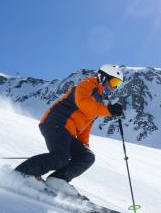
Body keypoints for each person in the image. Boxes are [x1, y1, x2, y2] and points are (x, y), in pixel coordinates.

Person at [15, 64, 125, 196]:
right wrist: (109, 110)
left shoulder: (102, 101)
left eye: (117, 84)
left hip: (68, 132)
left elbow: (87, 124)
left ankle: (58, 179)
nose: (114, 87)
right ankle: (24, 173)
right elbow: (83, 104)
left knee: (86, 156)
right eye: (113, 82)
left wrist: (84, 144)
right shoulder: (88, 84)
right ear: (103, 77)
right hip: (56, 123)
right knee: (61, 158)